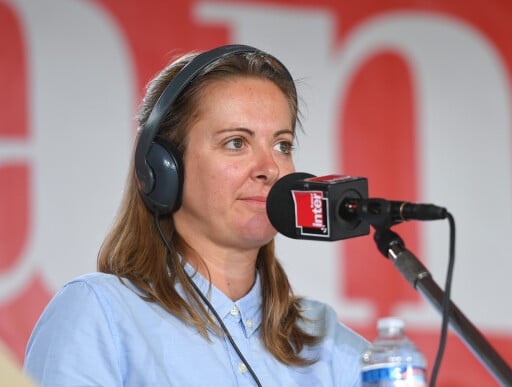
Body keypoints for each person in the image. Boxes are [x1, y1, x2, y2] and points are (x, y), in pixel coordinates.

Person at [23, 44, 369, 386]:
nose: (270, 168)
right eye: (236, 142)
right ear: (164, 168)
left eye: (282, 145)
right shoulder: (99, 312)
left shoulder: (326, 341)